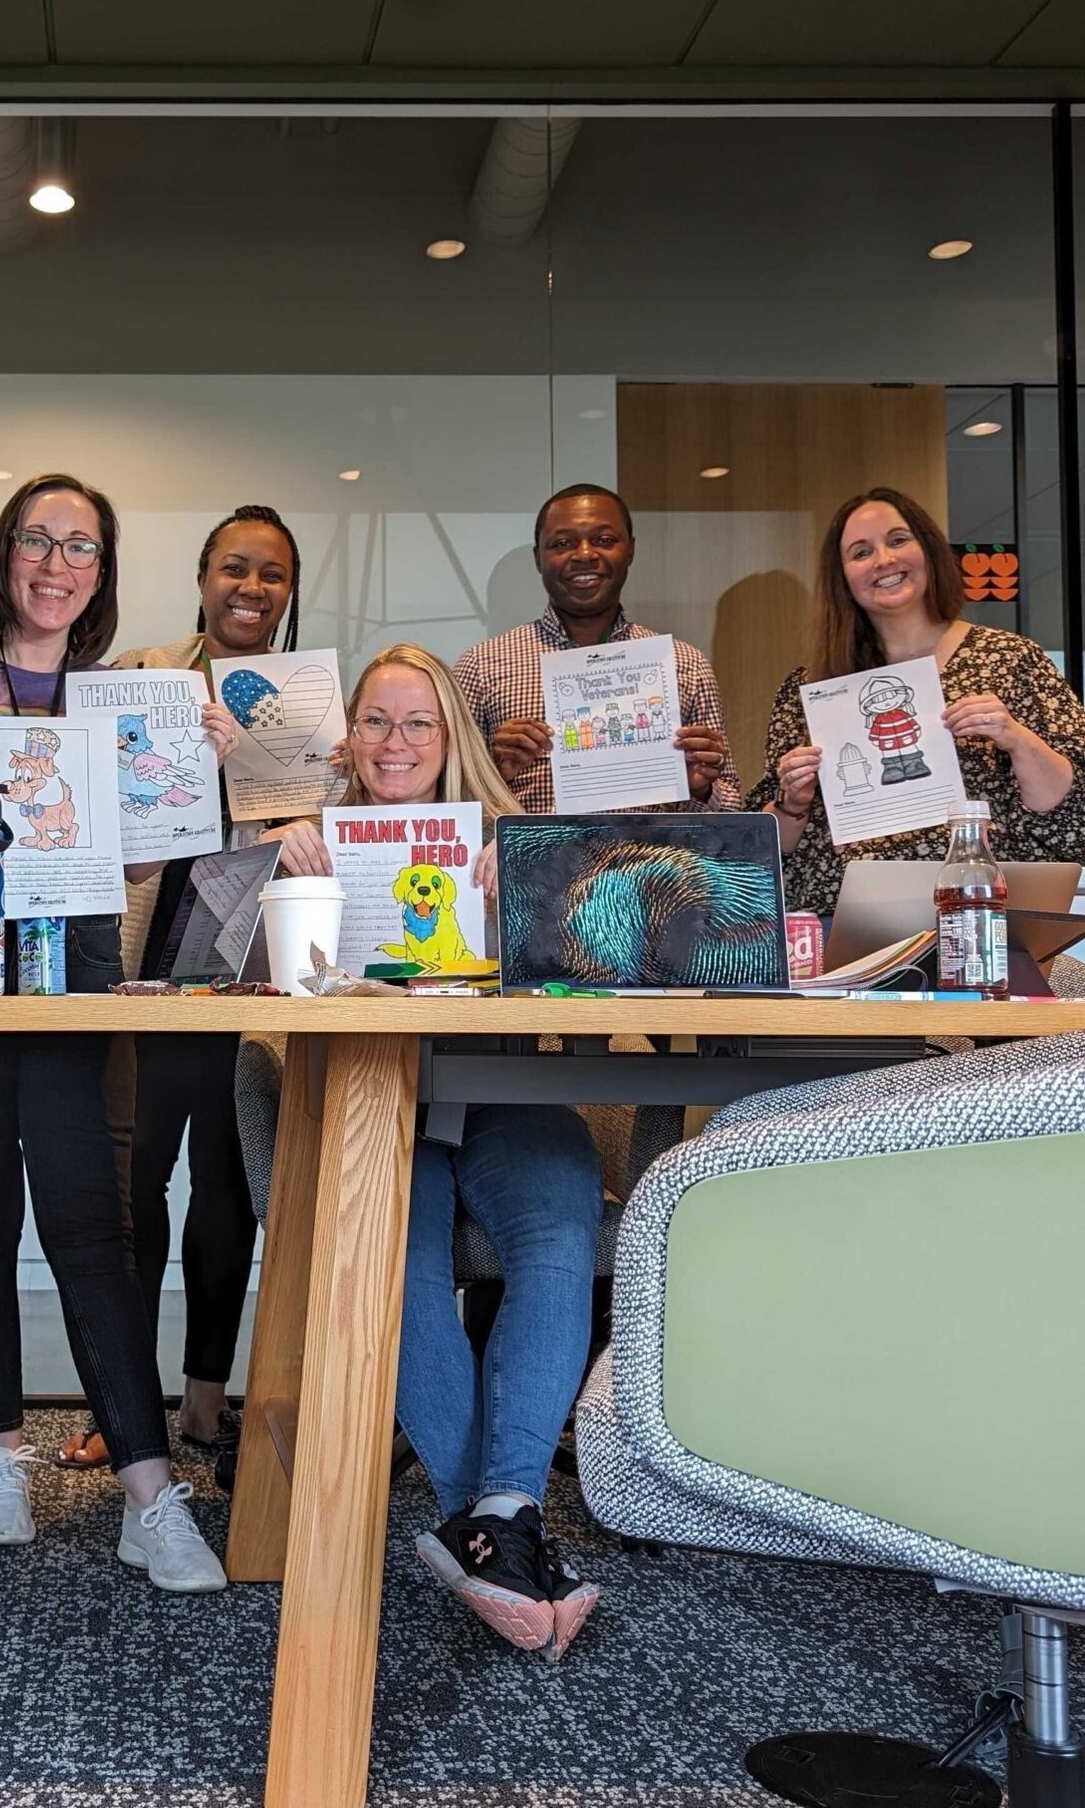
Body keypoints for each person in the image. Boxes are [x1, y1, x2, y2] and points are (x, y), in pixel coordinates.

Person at [0, 475, 226, 1593]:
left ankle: (150, 1492)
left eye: (81, 545)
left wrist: (200, 765)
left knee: (91, 1220)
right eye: (36, 538)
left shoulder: (130, 693)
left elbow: (134, 861)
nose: (56, 561)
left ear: (103, 570)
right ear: (5, 553)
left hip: (71, 959)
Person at [272, 643, 604, 1657]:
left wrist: (539, 894)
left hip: (508, 1093)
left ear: (452, 733)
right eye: (377, 720)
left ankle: (492, 1514)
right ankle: (499, 1523)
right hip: (379, 1105)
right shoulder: (307, 837)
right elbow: (242, 983)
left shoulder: (524, 841)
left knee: (556, 1235)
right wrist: (279, 879)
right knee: (397, 1256)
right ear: (350, 735)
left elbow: (604, 976)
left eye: (419, 721)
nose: (397, 741)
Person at [57, 505, 316, 1476]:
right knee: (130, 1192)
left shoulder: (305, 702)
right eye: (237, 569)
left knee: (227, 1190)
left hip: (250, 973)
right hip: (144, 966)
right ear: (204, 577)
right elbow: (92, 804)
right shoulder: (138, 677)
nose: (253, 588)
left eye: (274, 575)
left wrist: (251, 758)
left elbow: (326, 828)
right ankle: (118, 1407)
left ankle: (207, 1403)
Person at [755, 488, 1085, 912]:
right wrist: (792, 802)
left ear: (928, 550)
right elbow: (769, 854)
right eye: (860, 552)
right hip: (844, 924)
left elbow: (1070, 815)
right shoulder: (813, 688)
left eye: (897, 540)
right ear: (842, 579)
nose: (884, 561)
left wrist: (1017, 738)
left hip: (980, 914)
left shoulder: (1010, 658)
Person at [451, 486, 739, 814]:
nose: (585, 554)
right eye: (562, 543)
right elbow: (448, 808)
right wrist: (491, 771)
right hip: (533, 865)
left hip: (653, 864)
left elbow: (731, 815)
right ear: (538, 558)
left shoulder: (683, 664)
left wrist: (699, 788)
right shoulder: (482, 667)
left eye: (604, 540)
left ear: (630, 550)